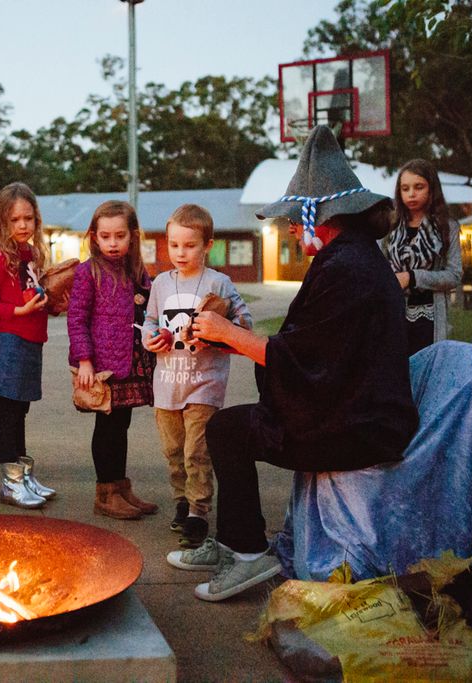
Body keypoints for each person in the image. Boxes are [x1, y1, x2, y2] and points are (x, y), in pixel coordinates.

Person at [168, 125, 419, 602]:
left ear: (320, 218)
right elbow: (307, 348)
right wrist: (228, 339)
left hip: (358, 425)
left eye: (294, 218)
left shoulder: (347, 268)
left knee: (227, 430)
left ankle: (246, 553)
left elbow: (306, 358)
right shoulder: (351, 259)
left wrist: (230, 334)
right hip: (354, 408)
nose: (288, 227)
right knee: (229, 427)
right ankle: (231, 543)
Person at [142, 204, 252, 548]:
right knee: (173, 450)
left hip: (204, 382)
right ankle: (181, 500)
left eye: (189, 245)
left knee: (197, 451)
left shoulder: (219, 282)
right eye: (174, 245)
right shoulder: (161, 283)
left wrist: (221, 329)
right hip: (167, 384)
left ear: (207, 245)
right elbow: (150, 321)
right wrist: (150, 337)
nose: (180, 252)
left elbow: (243, 322)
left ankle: (198, 512)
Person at [67, 200, 156, 520]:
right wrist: (85, 360)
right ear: (95, 237)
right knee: (107, 426)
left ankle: (121, 487)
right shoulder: (87, 272)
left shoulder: (137, 271)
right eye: (106, 236)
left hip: (131, 359)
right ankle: (104, 492)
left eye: (120, 236)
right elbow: (76, 319)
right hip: (103, 365)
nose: (113, 243)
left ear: (132, 236)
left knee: (122, 425)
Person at [0, 182, 56, 509]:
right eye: (14, 220)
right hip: (9, 342)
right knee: (9, 411)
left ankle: (24, 475)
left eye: (28, 218)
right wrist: (16, 311)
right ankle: (10, 482)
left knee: (21, 409)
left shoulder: (32, 254)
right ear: (2, 224)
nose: (22, 226)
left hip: (32, 342)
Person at [384, 158, 462, 355]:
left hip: (430, 319)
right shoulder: (389, 227)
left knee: (427, 378)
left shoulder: (447, 227)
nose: (411, 194)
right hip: (393, 316)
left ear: (431, 189)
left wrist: (413, 277)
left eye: (418, 187)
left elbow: (454, 275)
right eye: (405, 188)